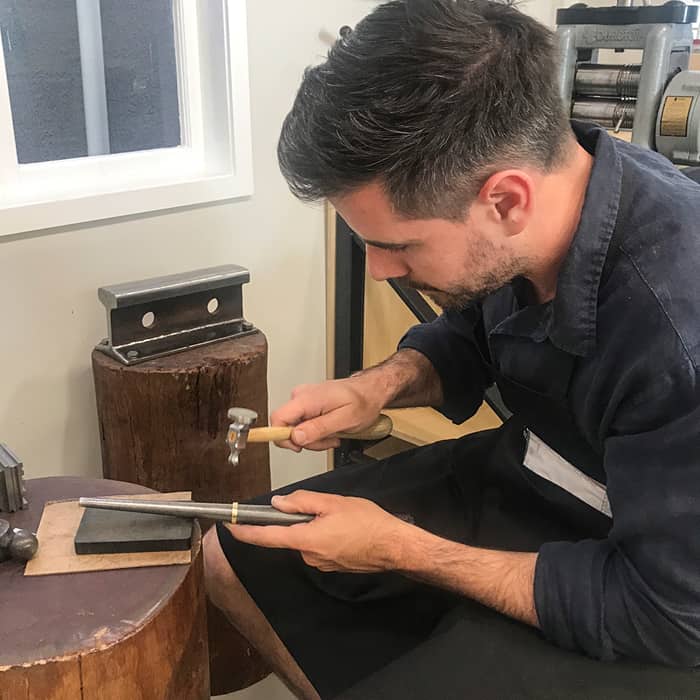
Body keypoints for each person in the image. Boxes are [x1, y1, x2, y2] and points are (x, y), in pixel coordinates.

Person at [202, 1, 700, 698]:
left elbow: (670, 613)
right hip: (539, 469)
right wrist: (375, 388)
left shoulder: (674, 328)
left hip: (648, 576)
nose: (380, 270)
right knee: (234, 551)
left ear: (506, 201)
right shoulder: (548, 204)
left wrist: (403, 551)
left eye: (397, 245)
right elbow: (472, 330)